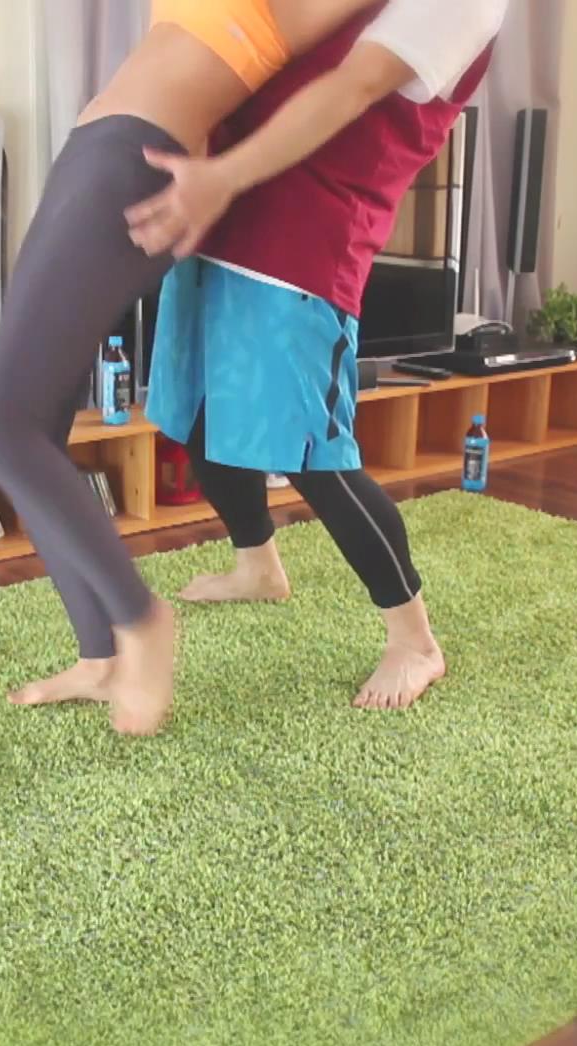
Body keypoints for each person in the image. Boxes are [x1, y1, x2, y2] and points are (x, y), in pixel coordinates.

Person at [0, 0, 402, 737]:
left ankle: (141, 620)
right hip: (94, 150)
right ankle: (100, 654)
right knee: (28, 423)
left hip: (135, 159)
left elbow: (353, 84)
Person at [128, 2, 507, 710]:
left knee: (314, 457)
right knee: (200, 415)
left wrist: (222, 175)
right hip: (219, 213)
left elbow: (353, 87)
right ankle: (258, 565)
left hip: (305, 239)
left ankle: (414, 641)